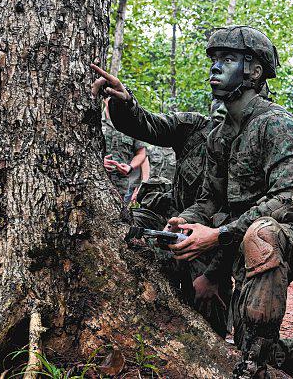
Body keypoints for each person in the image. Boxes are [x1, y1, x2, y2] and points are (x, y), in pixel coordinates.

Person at [157, 25, 293, 377]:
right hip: (246, 241)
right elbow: (209, 202)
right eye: (214, 59)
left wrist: (216, 237)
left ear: (254, 71)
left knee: (261, 233)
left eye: (227, 59)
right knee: (253, 341)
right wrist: (183, 222)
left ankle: (254, 370)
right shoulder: (220, 135)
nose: (214, 68)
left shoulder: (276, 125)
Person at [91, 64, 231, 336]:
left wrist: (213, 275)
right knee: (123, 230)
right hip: (168, 221)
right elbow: (146, 123)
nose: (223, 112)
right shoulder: (193, 127)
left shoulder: (250, 145)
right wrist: (124, 101)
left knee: (208, 320)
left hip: (209, 240)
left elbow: (237, 220)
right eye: (219, 103)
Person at [101, 97, 147, 203]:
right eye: (110, 96)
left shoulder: (131, 125)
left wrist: (130, 167)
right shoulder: (95, 122)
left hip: (121, 185)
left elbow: (141, 153)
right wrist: (98, 162)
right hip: (97, 179)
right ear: (104, 99)